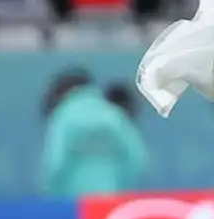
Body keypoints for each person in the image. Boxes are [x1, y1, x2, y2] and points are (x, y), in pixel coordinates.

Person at [41, 68, 148, 197]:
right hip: (110, 200)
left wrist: (52, 195)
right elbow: (136, 158)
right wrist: (121, 187)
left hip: (74, 203)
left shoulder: (64, 117)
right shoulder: (114, 115)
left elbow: (55, 163)